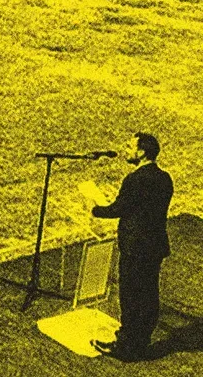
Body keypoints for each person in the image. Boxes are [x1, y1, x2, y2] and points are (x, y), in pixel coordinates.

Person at [91, 133, 174, 361]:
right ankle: (141, 340)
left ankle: (127, 346)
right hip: (155, 246)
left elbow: (119, 208)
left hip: (135, 247)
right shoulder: (165, 178)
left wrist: (96, 208)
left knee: (130, 296)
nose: (126, 149)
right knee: (148, 293)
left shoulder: (134, 180)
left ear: (141, 152)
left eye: (130, 146)